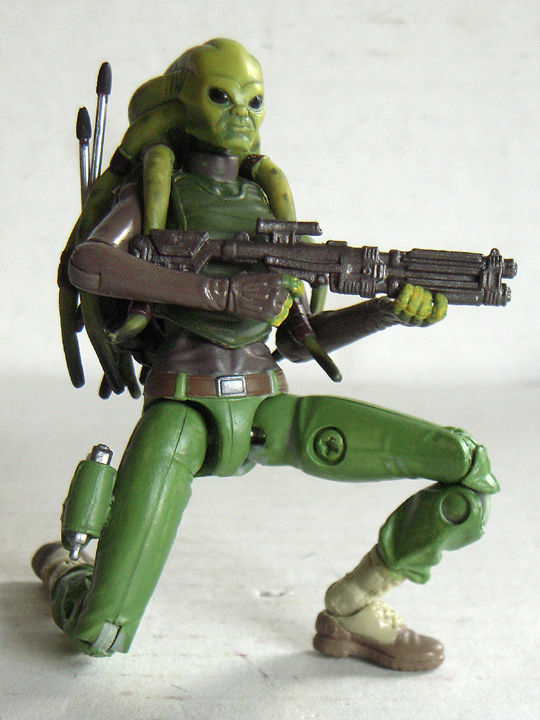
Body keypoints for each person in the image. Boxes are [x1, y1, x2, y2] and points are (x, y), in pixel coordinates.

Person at [33, 38, 497, 671]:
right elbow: (90, 262)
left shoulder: (267, 206)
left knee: (466, 468)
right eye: (221, 97)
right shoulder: (156, 195)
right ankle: (70, 573)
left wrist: (387, 309)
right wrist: (222, 293)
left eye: (254, 101)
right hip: (182, 415)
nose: (240, 114)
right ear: (184, 102)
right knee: (100, 635)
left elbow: (298, 343)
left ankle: (356, 605)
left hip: (267, 409)